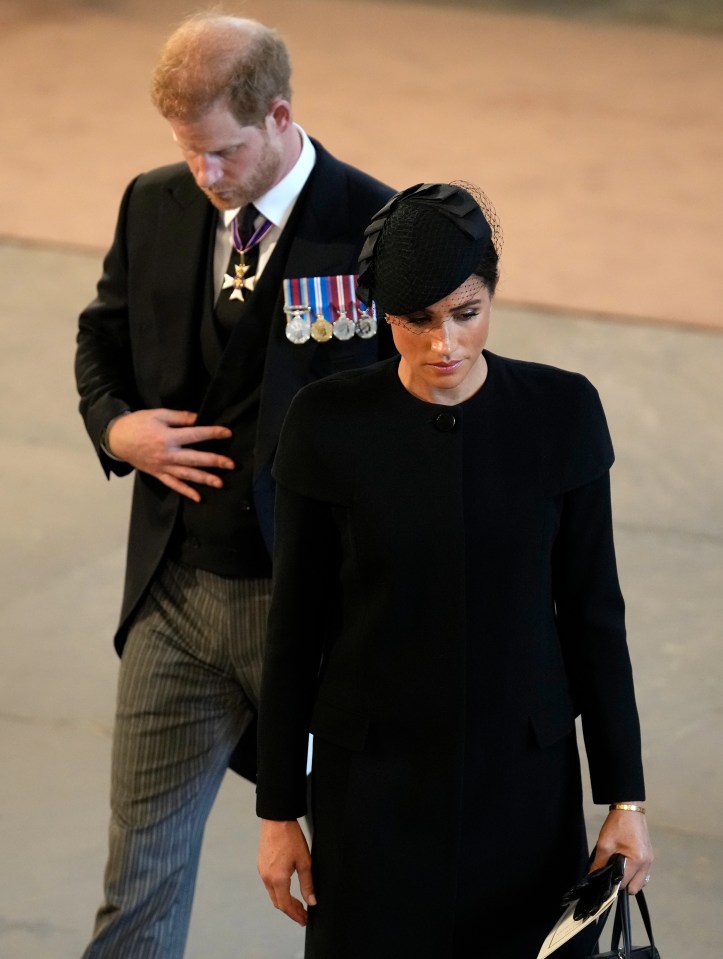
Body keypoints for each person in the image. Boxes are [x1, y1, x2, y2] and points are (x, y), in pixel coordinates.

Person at [255, 183, 654, 958]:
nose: (444, 343)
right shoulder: (326, 424)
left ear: (491, 294)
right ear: (382, 314)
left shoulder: (561, 414)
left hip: (523, 792)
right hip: (371, 795)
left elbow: (593, 615)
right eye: (416, 321)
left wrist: (624, 796)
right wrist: (278, 811)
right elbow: (294, 630)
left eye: (465, 312)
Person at [74, 12, 394, 957]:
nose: (203, 176)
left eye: (220, 152)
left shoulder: (373, 226)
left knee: (348, 877)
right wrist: (115, 427)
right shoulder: (155, 202)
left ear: (281, 114)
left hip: (313, 610)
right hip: (173, 597)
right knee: (137, 881)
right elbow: (101, 334)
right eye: (186, 151)